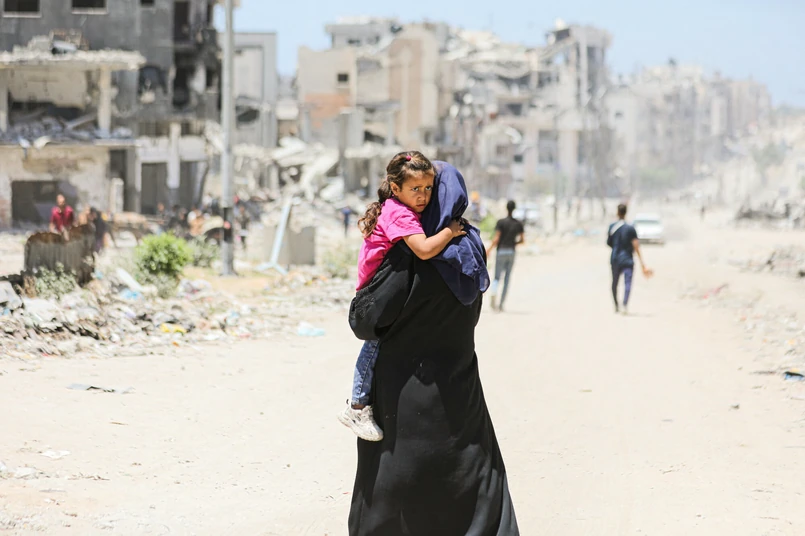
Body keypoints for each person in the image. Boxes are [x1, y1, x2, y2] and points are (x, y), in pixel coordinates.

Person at [347, 161, 518, 534]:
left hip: (404, 388)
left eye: (428, 189)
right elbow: (472, 313)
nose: (422, 197)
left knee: (396, 476)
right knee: (471, 467)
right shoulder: (471, 247)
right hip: (459, 383)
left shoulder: (407, 252)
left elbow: (367, 321)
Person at [338, 151, 466, 442]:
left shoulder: (403, 208)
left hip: (384, 289)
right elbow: (423, 249)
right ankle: (357, 406)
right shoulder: (399, 213)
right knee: (374, 344)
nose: (423, 195)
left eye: (428, 188)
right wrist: (450, 231)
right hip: (375, 294)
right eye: (415, 188)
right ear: (395, 189)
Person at [607, 203, 652, 314]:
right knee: (628, 283)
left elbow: (609, 243)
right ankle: (624, 304)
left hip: (615, 258)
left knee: (615, 282)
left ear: (617, 212)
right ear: (626, 212)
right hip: (628, 259)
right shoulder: (631, 228)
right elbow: (636, 245)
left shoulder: (612, 227)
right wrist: (642, 263)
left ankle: (616, 305)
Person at [486, 200, 525, 312]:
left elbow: (496, 238)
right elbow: (522, 240)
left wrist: (489, 250)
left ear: (506, 208)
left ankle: (493, 293)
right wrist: (514, 243)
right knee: (507, 279)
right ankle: (501, 304)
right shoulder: (518, 224)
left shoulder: (501, 222)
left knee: (497, 277)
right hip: (511, 251)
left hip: (501, 251)